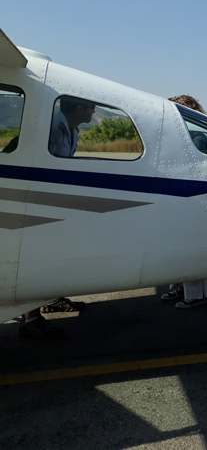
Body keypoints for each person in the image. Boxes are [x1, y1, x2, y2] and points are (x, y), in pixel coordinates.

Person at [19, 97, 94, 338]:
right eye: (91, 107)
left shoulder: (72, 130)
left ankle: (51, 298)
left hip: (53, 202)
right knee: (33, 257)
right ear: (80, 109)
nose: (94, 111)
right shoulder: (51, 128)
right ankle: (30, 319)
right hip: (35, 203)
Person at [162, 95, 207, 308]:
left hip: (191, 198)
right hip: (177, 196)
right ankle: (178, 287)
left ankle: (197, 294)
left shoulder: (197, 137)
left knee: (190, 244)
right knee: (175, 244)